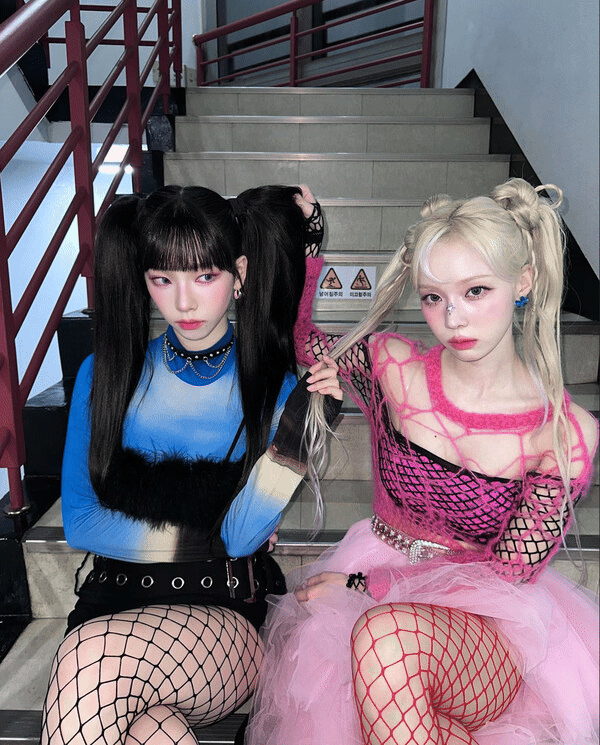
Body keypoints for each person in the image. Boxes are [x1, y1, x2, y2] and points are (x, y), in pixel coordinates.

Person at [246, 179, 599, 745]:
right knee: (394, 681)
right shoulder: (393, 366)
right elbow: (304, 343)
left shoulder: (564, 433)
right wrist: (309, 247)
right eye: (434, 297)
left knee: (384, 640)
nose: (453, 318)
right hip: (378, 577)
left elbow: (505, 573)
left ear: (523, 282)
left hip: (488, 626)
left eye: (476, 291)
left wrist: (365, 585)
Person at [39, 184, 341, 744]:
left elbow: (244, 537)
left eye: (204, 276)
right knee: (152, 731)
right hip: (113, 603)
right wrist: (210, 534)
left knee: (88, 661)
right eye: (163, 279)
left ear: (239, 274)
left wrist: (299, 436)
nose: (184, 303)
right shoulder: (104, 373)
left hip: (223, 613)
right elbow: (81, 521)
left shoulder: (274, 386)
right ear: (142, 279)